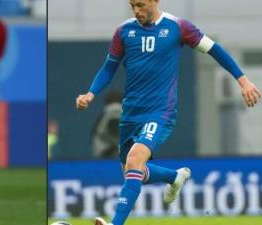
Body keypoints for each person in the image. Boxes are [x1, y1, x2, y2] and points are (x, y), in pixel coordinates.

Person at [75, 0, 261, 225]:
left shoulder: (178, 27)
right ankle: (175, 177)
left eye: (141, 5)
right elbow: (109, 67)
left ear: (155, 1)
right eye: (132, 5)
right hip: (131, 113)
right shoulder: (124, 31)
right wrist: (91, 93)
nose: (136, 10)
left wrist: (243, 81)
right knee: (131, 171)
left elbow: (214, 49)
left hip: (160, 112)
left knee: (135, 161)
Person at [91, 91, 122, 159]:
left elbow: (114, 130)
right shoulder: (125, 114)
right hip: (123, 157)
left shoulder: (107, 114)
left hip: (106, 156)